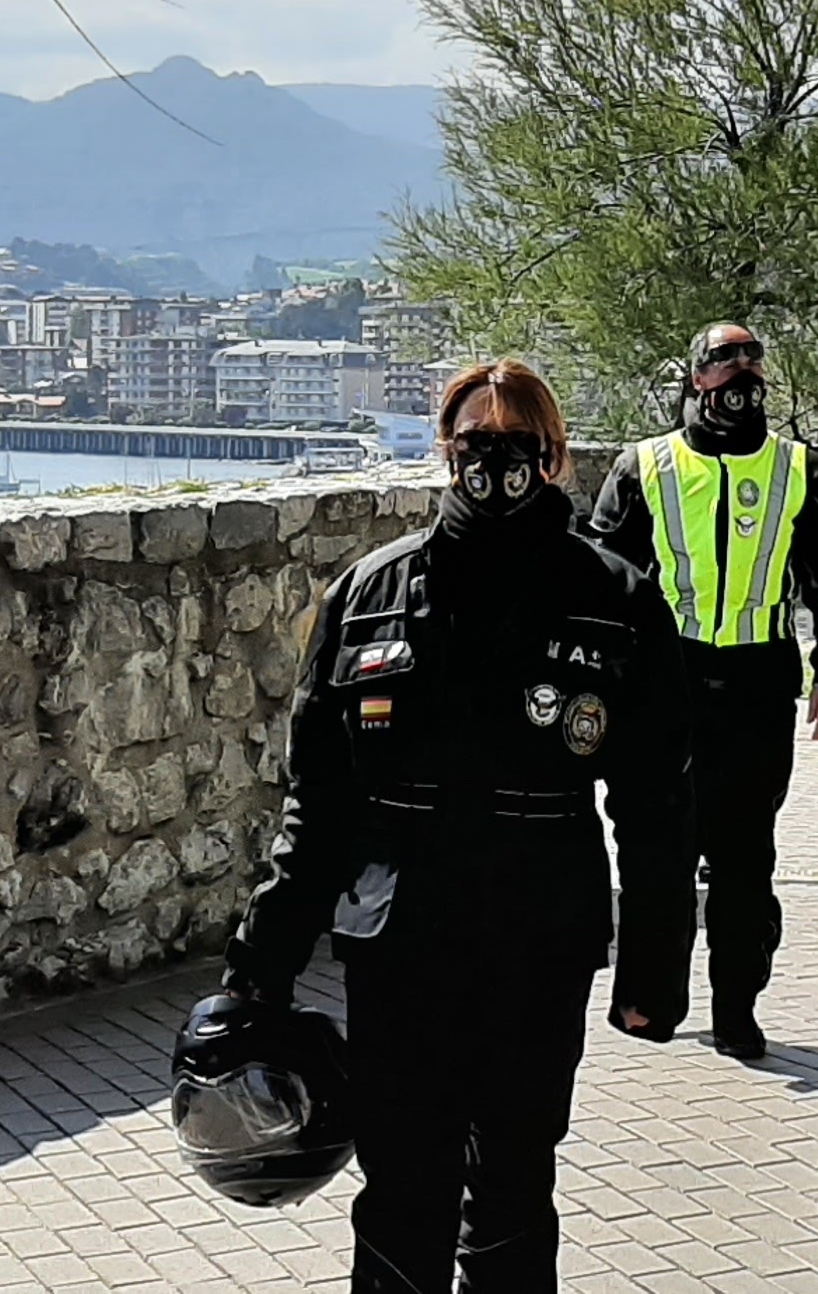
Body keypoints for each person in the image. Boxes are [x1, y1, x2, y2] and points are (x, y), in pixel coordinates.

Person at [219, 360, 697, 1294]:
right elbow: (318, 804)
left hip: (539, 934)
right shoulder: (371, 593)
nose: (495, 460)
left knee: (514, 1180)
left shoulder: (616, 598)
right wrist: (259, 965)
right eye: (476, 439)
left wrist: (653, 971)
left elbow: (657, 806)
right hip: (403, 938)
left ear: (553, 456)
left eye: (518, 441)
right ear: (446, 449)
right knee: (403, 1181)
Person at [587, 320, 818, 1061]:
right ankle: (651, 1001)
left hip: (756, 681)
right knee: (658, 848)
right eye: (723, 358)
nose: (742, 369)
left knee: (744, 856)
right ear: (696, 376)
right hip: (665, 678)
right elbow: (604, 579)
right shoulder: (644, 466)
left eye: (752, 357)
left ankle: (737, 1006)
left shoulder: (802, 469)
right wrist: (602, 677)